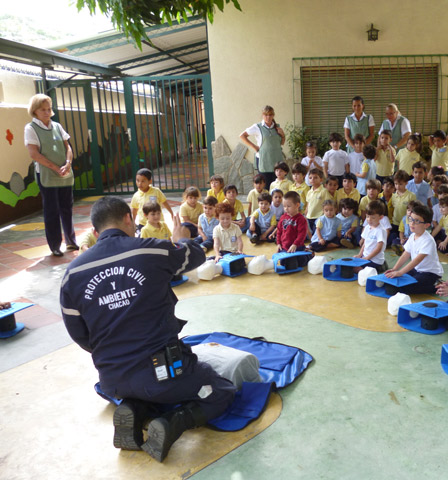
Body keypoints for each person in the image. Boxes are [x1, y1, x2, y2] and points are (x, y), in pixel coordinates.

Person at [60, 196, 236, 462]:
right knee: (221, 391)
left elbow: (79, 335)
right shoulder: (150, 250)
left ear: (96, 232)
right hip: (163, 372)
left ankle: (134, 409)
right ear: (129, 220)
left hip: (112, 379)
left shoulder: (72, 275)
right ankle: (173, 422)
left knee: (143, 387)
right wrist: (181, 238)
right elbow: (196, 255)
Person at [24, 94, 77, 256]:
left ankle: (71, 241)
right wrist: (55, 167)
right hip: (47, 175)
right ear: (35, 111)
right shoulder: (31, 129)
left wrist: (68, 164)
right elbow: (34, 154)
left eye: (49, 109)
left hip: (64, 174)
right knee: (52, 210)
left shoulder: (57, 126)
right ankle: (55, 245)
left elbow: (68, 147)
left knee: (66, 208)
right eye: (43, 110)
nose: (47, 112)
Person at [385, 204, 443, 294]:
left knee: (407, 288)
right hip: (417, 270)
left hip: (430, 273)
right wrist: (395, 269)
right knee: (397, 281)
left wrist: (400, 272)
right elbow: (405, 254)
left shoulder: (428, 240)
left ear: (426, 225)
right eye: (411, 219)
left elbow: (417, 260)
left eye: (417, 221)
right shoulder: (412, 236)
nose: (412, 223)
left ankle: (437, 287)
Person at [239, 105, 285, 186]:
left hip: (276, 160)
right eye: (266, 115)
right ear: (262, 115)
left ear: (273, 115)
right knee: (266, 186)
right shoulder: (257, 127)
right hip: (264, 161)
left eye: (270, 115)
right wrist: (254, 147)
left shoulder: (277, 127)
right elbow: (242, 136)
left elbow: (281, 143)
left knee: (278, 186)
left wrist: (283, 135)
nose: (268, 117)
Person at [354, 200, 388, 273]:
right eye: (367, 216)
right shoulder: (367, 227)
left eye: (373, 217)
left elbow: (379, 248)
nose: (369, 220)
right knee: (351, 264)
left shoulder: (380, 230)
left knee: (356, 269)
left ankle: (380, 267)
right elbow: (365, 243)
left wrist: (367, 258)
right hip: (366, 258)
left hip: (375, 260)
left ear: (381, 217)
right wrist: (360, 255)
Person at [276, 191, 309, 262]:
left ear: (297, 205)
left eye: (288, 206)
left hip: (297, 247)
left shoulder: (301, 219)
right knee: (284, 262)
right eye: (284, 206)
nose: (286, 209)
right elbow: (279, 231)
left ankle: (309, 255)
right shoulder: (283, 217)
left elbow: (302, 235)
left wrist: (295, 244)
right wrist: (278, 243)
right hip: (285, 247)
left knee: (301, 262)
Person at [390, 170, 417, 246]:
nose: (398, 186)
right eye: (396, 184)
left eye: (400, 184)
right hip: (395, 222)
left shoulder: (411, 196)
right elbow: (392, 209)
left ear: (406, 183)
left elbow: (413, 210)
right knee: (394, 238)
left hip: (407, 223)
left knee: (408, 237)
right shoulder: (393, 196)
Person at [305, 168, 331, 235]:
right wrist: (306, 213)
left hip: (319, 217)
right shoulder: (309, 192)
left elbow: (327, 204)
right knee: (309, 233)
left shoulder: (324, 191)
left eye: (315, 178)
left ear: (321, 179)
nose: (312, 179)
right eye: (310, 178)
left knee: (316, 233)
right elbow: (308, 204)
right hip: (309, 216)